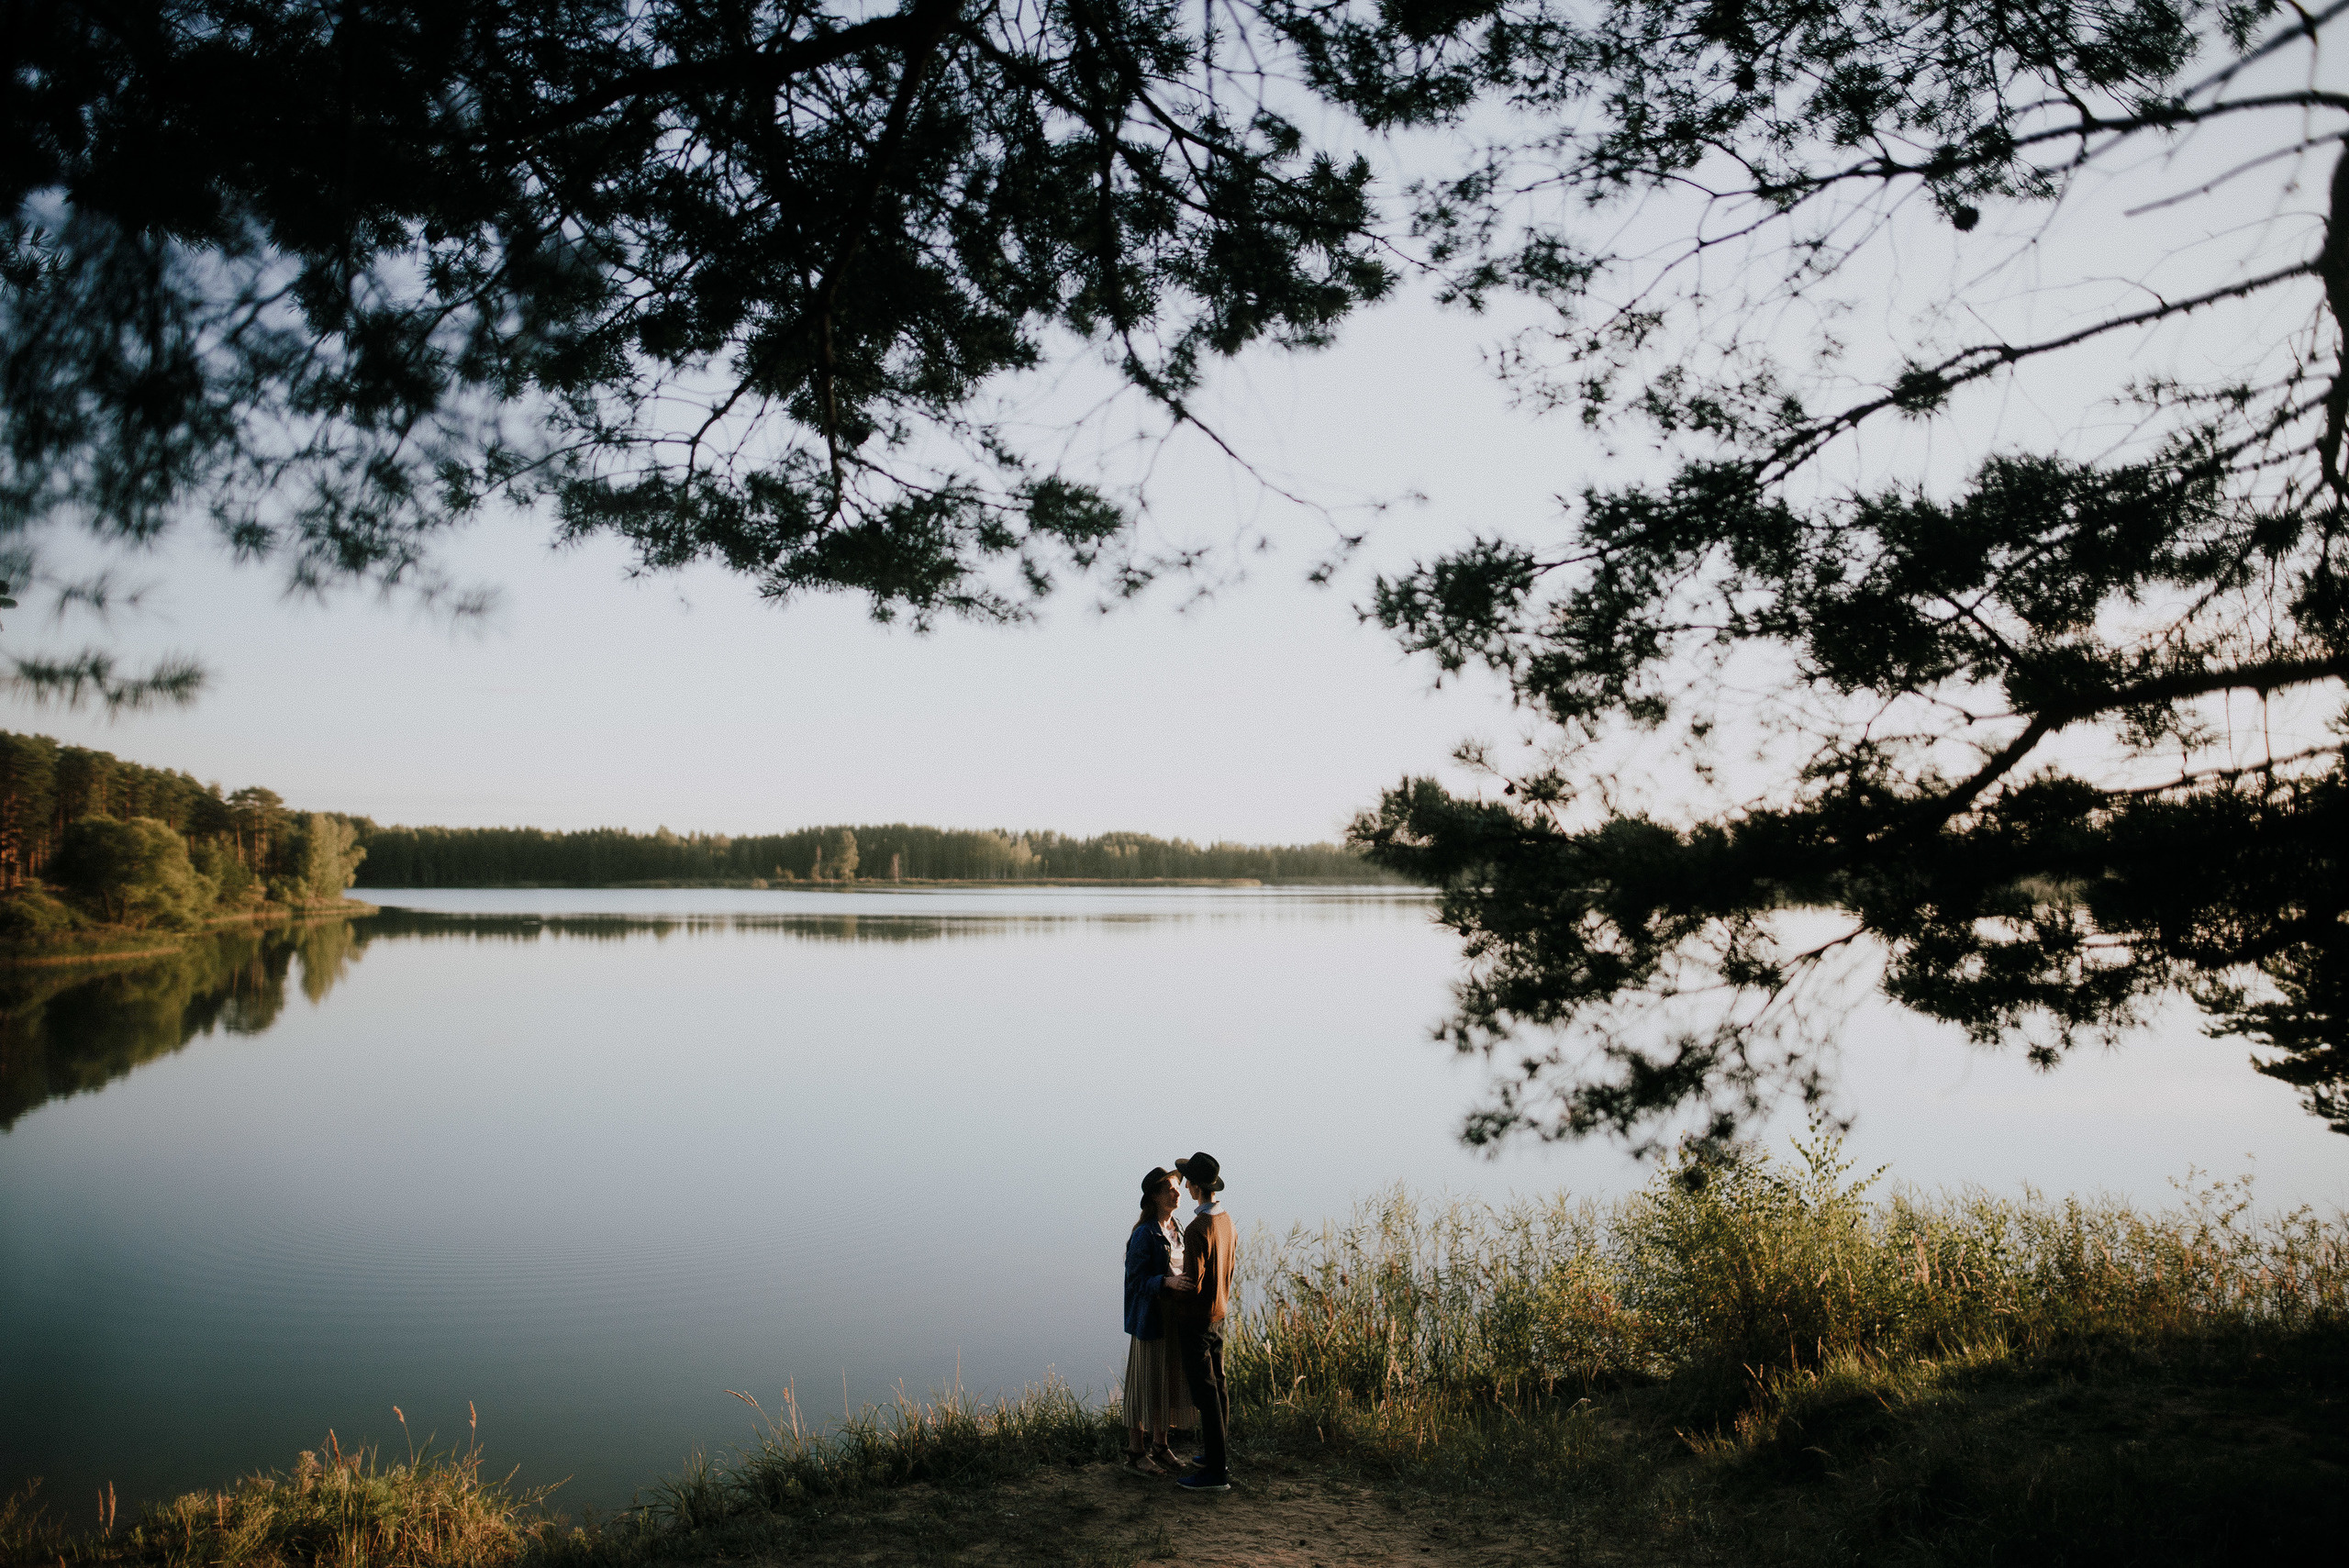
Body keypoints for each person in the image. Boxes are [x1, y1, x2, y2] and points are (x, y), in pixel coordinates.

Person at [1120, 1165, 1197, 1473]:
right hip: (1150, 1320)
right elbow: (1135, 1281)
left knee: (1166, 1380)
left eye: (1178, 1187)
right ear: (1155, 1196)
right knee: (1144, 1384)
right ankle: (1135, 1452)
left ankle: (1161, 1445)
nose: (1177, 1193)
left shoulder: (1177, 1227)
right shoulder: (1144, 1233)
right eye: (1170, 1188)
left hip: (1174, 1317)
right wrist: (1167, 1283)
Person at [1169, 1151, 1235, 1493]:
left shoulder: (1198, 1229)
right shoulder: (1226, 1221)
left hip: (1197, 1320)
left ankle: (1215, 1473)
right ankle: (1215, 1456)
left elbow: (1193, 1283)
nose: (1185, 1187)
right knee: (1218, 1387)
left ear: (1194, 1187)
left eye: (1187, 1182)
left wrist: (1169, 1290)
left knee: (1205, 1394)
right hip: (1219, 1313)